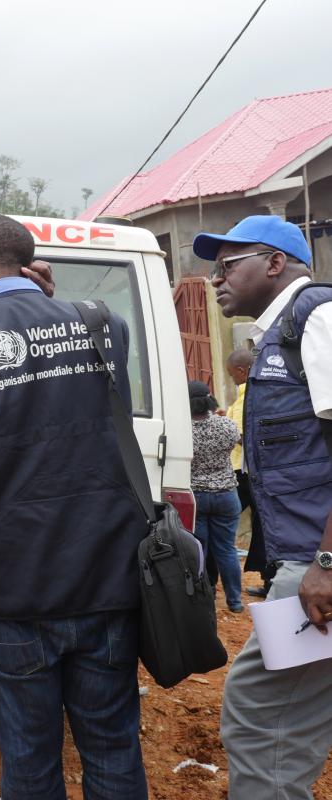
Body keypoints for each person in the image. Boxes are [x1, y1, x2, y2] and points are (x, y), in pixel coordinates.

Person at [0, 215, 148, 799]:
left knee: (30, 761)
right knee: (114, 748)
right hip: (110, 582)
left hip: (10, 598)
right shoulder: (104, 325)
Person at [194, 215, 332, 799]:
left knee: (258, 717)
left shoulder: (316, 317)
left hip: (316, 566)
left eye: (227, 265)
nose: (216, 280)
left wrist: (327, 562)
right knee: (286, 721)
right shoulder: (278, 338)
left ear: (274, 263)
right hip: (303, 562)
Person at [188, 380, 243, 612]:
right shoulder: (226, 425)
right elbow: (241, 440)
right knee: (227, 549)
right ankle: (235, 601)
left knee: (199, 548)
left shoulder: (182, 430)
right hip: (226, 495)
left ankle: (204, 597)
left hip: (196, 497)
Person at [225, 348, 275, 598]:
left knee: (225, 521)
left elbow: (248, 437)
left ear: (242, 371)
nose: (231, 378)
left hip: (246, 474)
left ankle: (267, 581)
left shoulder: (249, 397)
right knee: (261, 526)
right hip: (247, 472)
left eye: (232, 373)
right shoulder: (246, 394)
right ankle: (268, 581)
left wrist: (227, 433)